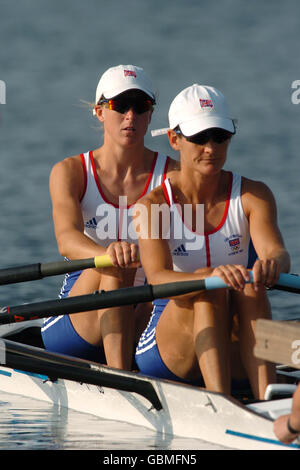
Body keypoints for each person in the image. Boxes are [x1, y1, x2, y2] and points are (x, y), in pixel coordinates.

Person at [134, 84, 290, 399]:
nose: (211, 148)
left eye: (220, 137)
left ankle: (266, 402)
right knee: (209, 288)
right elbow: (157, 277)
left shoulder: (253, 195)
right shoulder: (153, 205)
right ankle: (221, 404)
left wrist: (273, 265)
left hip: (234, 340)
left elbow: (276, 251)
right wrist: (206, 277)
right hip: (168, 349)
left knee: (251, 285)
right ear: (174, 139)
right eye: (200, 137)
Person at [41, 64, 178, 370]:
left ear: (151, 114)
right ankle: (123, 377)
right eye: (120, 105)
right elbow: (67, 240)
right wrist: (107, 254)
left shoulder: (174, 176)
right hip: (77, 321)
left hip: (144, 309)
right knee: (116, 266)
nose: (131, 116)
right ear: (100, 111)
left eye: (141, 106)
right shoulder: (70, 172)